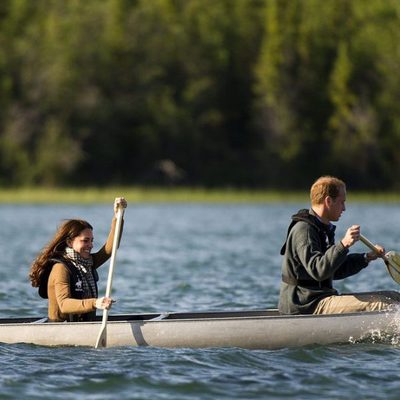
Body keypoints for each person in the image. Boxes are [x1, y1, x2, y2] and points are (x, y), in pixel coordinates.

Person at [279, 176, 400, 315]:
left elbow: (335, 270)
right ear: (328, 201)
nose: (344, 208)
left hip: (320, 298)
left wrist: (366, 257)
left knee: (394, 296)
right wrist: (343, 245)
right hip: (305, 305)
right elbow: (318, 271)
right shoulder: (304, 230)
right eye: (342, 202)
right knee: (382, 305)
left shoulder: (322, 229)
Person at [29, 197, 127, 322]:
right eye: (85, 241)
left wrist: (118, 216)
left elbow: (110, 248)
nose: (90, 245)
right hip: (61, 329)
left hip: (83, 324)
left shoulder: (87, 263)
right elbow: (64, 305)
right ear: (69, 242)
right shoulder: (60, 268)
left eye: (91, 241)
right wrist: (95, 303)